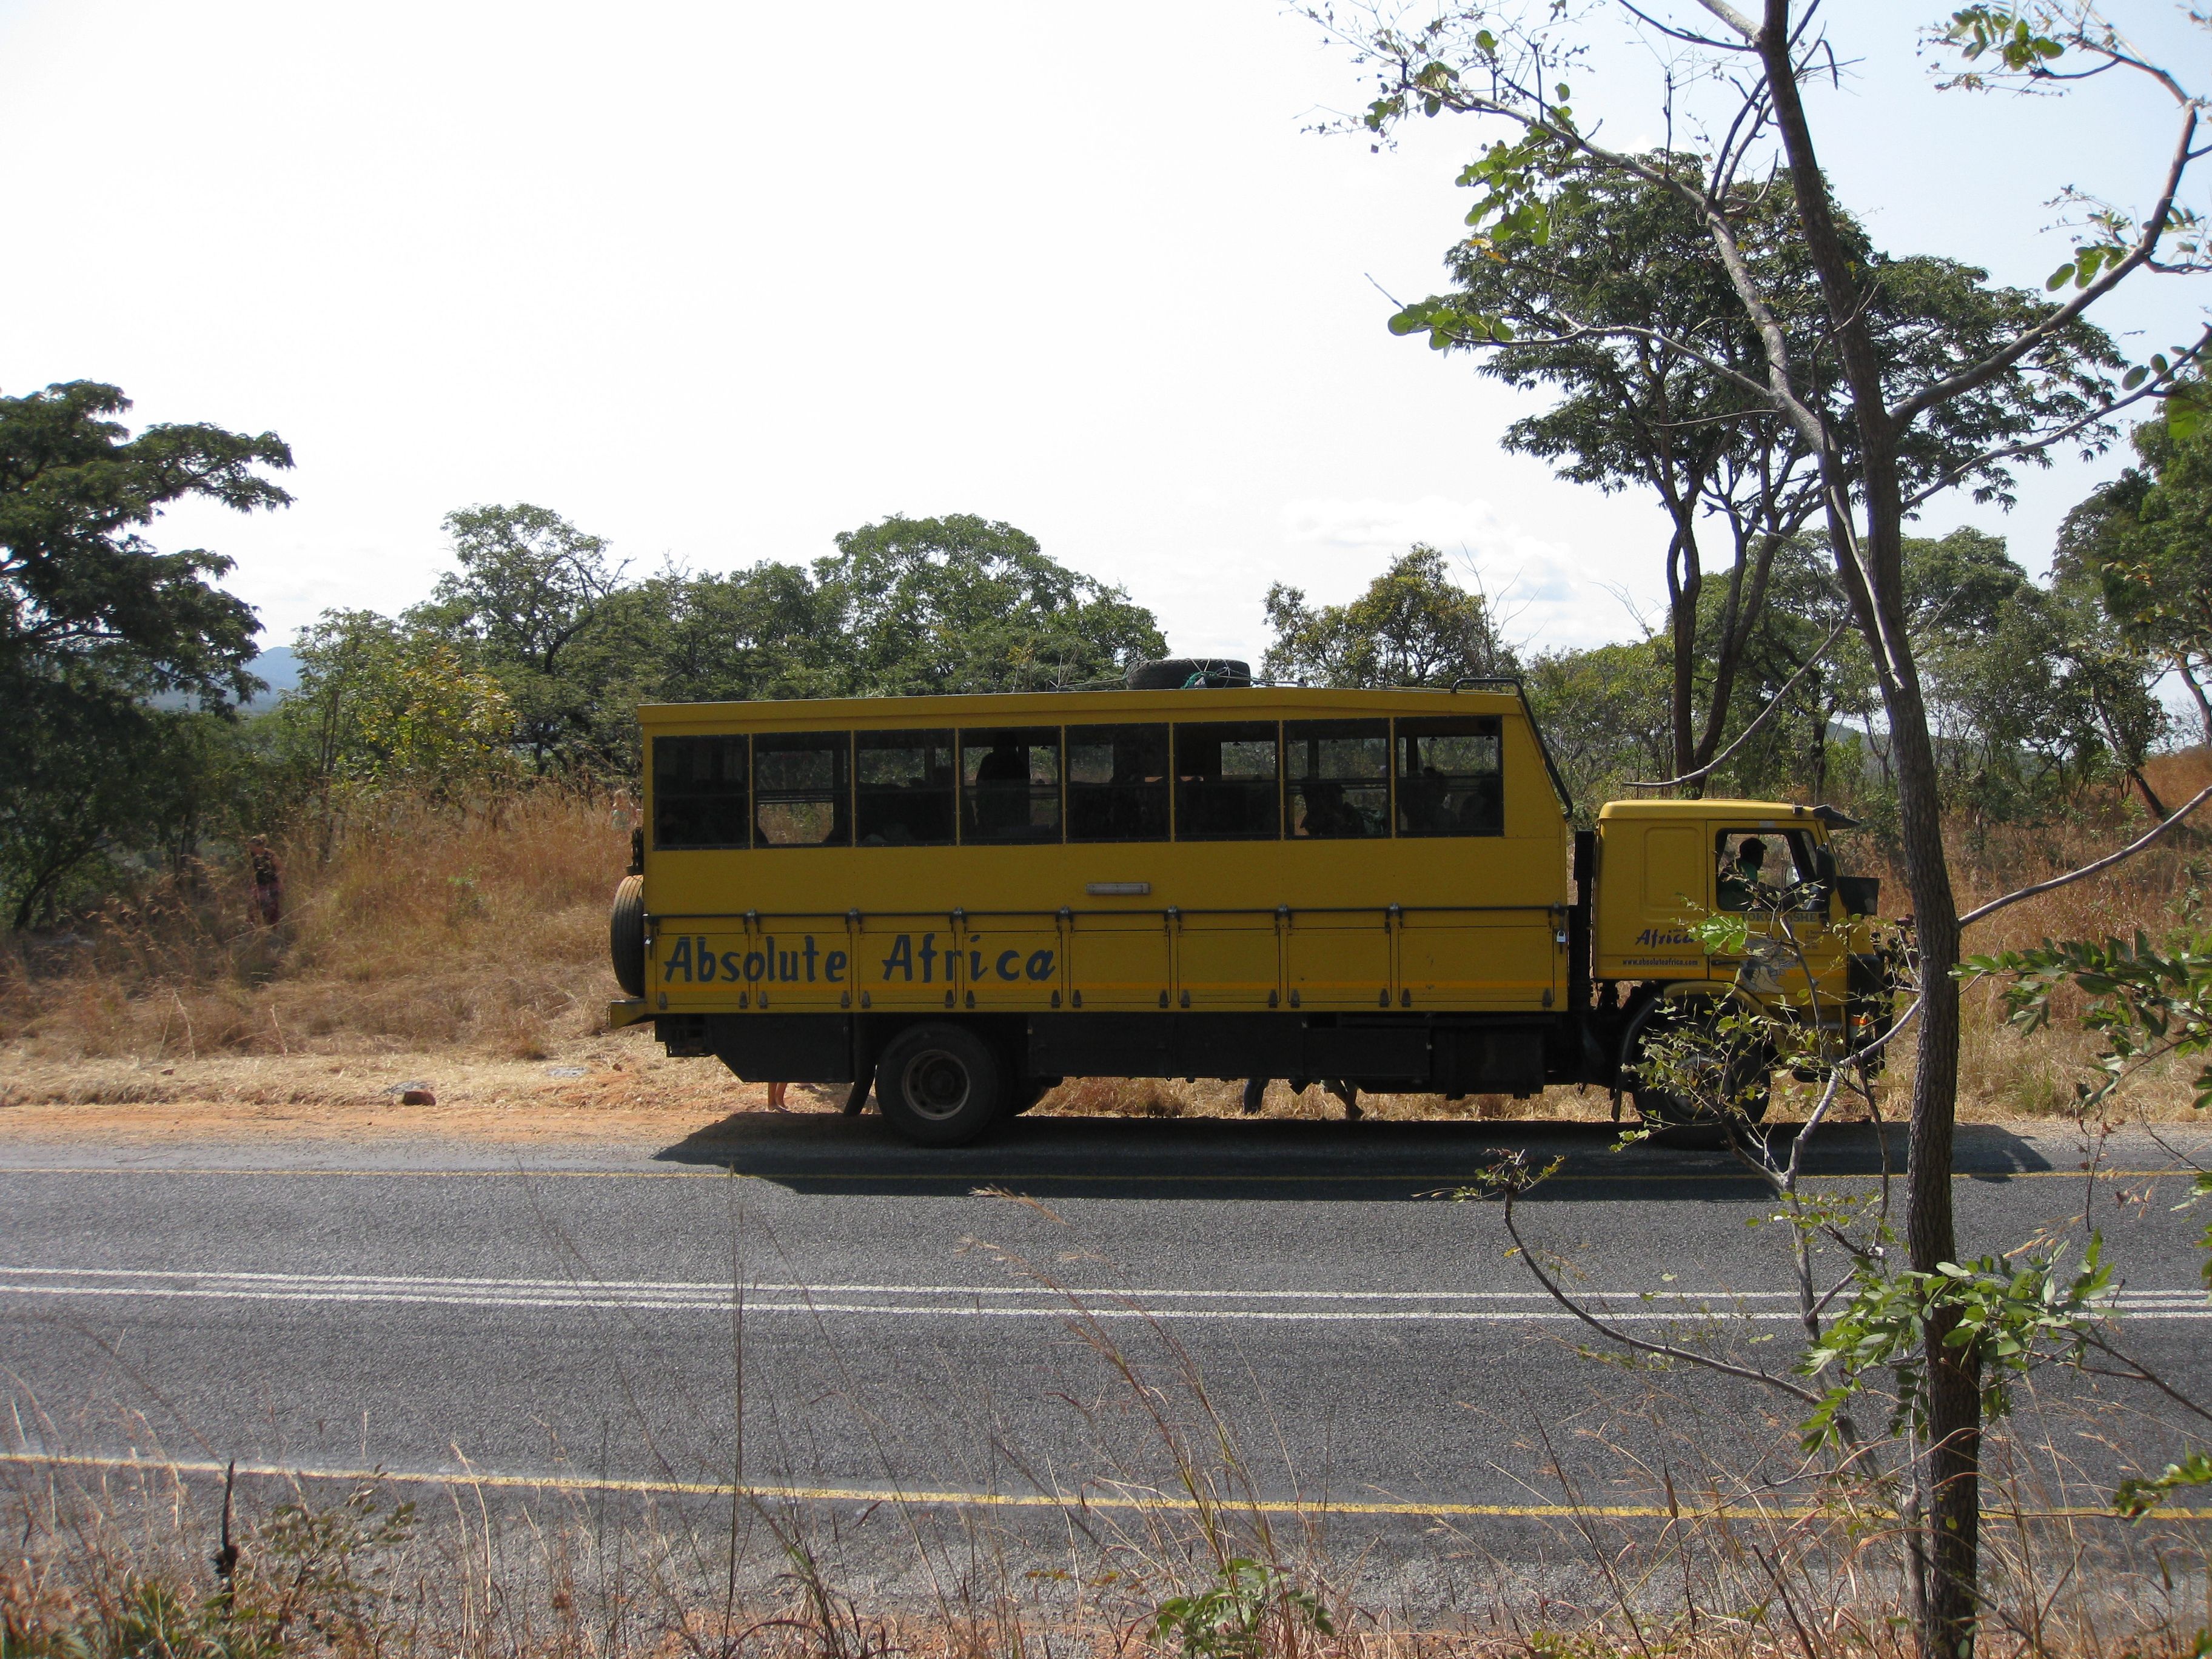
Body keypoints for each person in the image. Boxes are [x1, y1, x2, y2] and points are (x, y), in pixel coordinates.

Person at [1717, 836, 1768, 910]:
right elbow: (1753, 890)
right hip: (1731, 907)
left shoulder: (1736, 863)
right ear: (1753, 854)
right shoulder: (1748, 867)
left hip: (1725, 902)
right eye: (1759, 853)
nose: (1761, 858)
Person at [246, 836, 282, 927]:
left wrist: (280, 882)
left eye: (252, 847)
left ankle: (274, 927)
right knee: (253, 907)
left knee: (272, 907)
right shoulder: (252, 856)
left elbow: (280, 868)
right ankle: (254, 928)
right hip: (258, 884)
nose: (251, 849)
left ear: (259, 847)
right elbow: (252, 871)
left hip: (272, 884)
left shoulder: (270, 854)